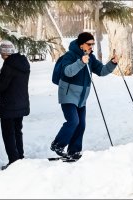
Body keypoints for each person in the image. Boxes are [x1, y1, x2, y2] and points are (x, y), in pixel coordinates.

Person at [50, 32, 118, 160]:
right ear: (81, 45)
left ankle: (74, 151)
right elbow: (67, 72)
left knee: (81, 124)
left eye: (93, 44)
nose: (92, 46)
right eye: (89, 44)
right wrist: (81, 62)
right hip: (68, 95)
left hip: (82, 97)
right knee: (73, 121)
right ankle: (57, 144)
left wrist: (112, 63)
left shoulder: (90, 57)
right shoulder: (70, 55)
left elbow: (102, 71)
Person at [0, 40, 30, 170]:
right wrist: (0, 76)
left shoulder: (9, 65)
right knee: (17, 131)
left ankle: (13, 161)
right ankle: (20, 157)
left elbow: (1, 86)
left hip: (9, 106)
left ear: (3, 53)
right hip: (21, 103)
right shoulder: (22, 63)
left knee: (8, 134)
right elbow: (13, 81)